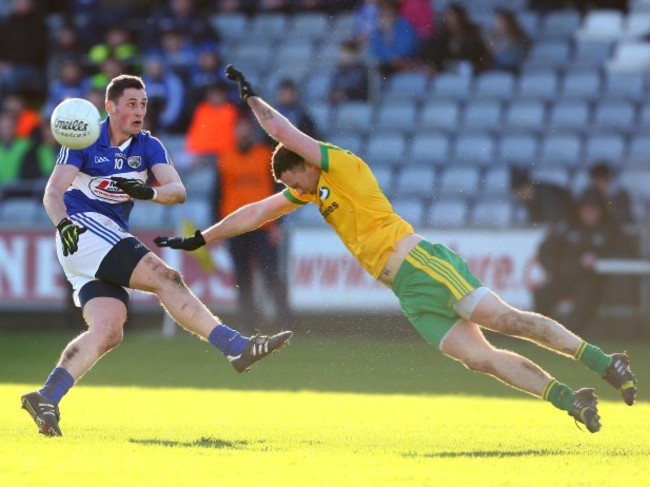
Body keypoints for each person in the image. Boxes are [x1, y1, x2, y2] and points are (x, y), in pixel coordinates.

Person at [156, 65, 638, 434]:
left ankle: (604, 362)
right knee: (481, 359)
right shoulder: (310, 190)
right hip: (407, 293)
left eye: (289, 179)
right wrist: (203, 237)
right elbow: (255, 213)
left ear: (304, 167)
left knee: (507, 321)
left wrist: (253, 99)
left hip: (421, 263)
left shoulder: (339, 165)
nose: (289, 189)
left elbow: (283, 133)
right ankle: (570, 400)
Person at [20, 74, 292, 438]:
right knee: (167, 278)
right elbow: (53, 192)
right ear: (110, 107)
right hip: (83, 229)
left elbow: (177, 191)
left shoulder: (148, 146)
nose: (139, 111)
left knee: (108, 330)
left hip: (102, 239)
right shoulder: (85, 137)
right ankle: (236, 346)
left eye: (143, 104)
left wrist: (147, 192)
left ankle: (47, 396)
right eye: (131, 104)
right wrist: (63, 224)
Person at [214, 114, 293, 331]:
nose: (243, 133)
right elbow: (217, 195)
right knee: (242, 277)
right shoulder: (225, 158)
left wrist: (278, 222)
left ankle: (286, 321)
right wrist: (220, 228)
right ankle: (248, 324)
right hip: (237, 227)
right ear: (234, 132)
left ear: (251, 131)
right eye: (239, 129)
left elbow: (279, 192)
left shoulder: (265, 155)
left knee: (271, 275)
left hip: (263, 226)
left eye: (246, 129)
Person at [534, 189, 634, 334]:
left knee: (587, 294)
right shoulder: (567, 227)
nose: (589, 215)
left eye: (593, 210)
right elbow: (546, 251)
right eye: (586, 210)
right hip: (564, 275)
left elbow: (625, 251)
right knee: (542, 292)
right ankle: (543, 333)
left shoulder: (610, 229)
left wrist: (599, 259)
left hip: (592, 280)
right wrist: (551, 270)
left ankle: (571, 335)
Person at [510, 167, 574, 225]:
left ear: (530, 187)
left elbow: (549, 220)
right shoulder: (528, 199)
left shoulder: (546, 195)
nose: (521, 194)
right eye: (518, 192)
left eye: (523, 190)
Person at [586, 161, 634, 225]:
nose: (595, 184)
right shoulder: (591, 194)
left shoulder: (620, 195)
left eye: (599, 180)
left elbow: (613, 211)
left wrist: (608, 199)